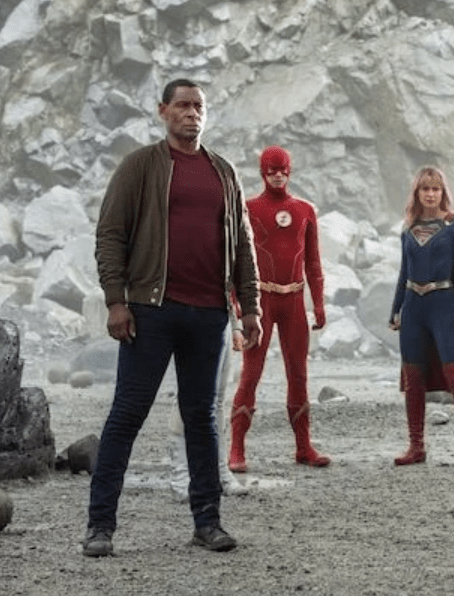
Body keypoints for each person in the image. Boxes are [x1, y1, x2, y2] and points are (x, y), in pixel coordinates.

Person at [85, 78, 262, 557]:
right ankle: (100, 526)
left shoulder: (223, 171)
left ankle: (208, 523)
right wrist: (116, 300)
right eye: (182, 105)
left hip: (209, 314)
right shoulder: (140, 166)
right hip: (150, 310)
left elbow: (243, 244)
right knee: (128, 414)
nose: (191, 113)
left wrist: (250, 307)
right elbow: (110, 233)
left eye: (198, 106)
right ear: (163, 110)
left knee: (201, 418)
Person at [227, 145, 330, 473]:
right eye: (271, 170)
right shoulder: (248, 209)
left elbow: (313, 263)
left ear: (290, 171)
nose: (277, 175)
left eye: (282, 169)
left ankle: (304, 447)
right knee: (251, 373)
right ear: (262, 172)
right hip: (261, 301)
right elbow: (235, 260)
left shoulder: (305, 210)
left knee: (298, 373)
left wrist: (319, 303)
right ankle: (236, 449)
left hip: (294, 300)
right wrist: (238, 305)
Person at [389, 166, 454, 470]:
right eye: (424, 189)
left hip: (445, 305)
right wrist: (395, 308)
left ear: (443, 192)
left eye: (435, 189)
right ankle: (416, 447)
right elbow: (404, 271)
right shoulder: (409, 227)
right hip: (413, 308)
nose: (430, 194)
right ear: (417, 193)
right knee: (413, 379)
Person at [168, 324, 249, 502]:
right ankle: (180, 477)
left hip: (222, 316)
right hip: (190, 315)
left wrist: (235, 325)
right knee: (187, 393)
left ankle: (219, 471)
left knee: (218, 398)